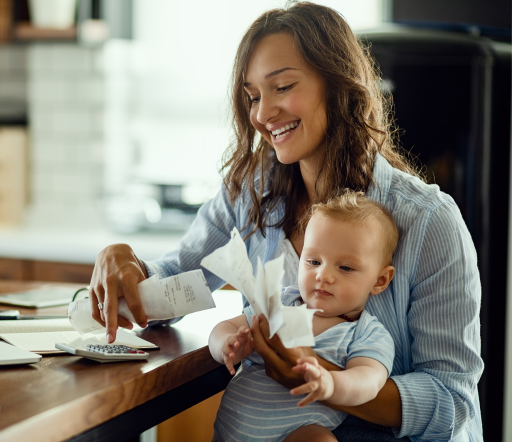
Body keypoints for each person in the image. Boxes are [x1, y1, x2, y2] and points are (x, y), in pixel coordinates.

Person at [88, 2, 483, 440]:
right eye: (254, 95)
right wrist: (127, 268)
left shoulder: (428, 220)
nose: (261, 114)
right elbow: (175, 283)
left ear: (338, 85)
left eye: (283, 87)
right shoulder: (249, 194)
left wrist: (321, 380)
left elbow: (452, 403)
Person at [210, 190, 397, 442]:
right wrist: (227, 344)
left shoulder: (366, 333)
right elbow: (226, 326)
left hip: (298, 432)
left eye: (345, 267)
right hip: (230, 429)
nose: (323, 275)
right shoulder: (282, 301)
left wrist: (330, 384)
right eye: (313, 261)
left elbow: (369, 381)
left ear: (380, 280)